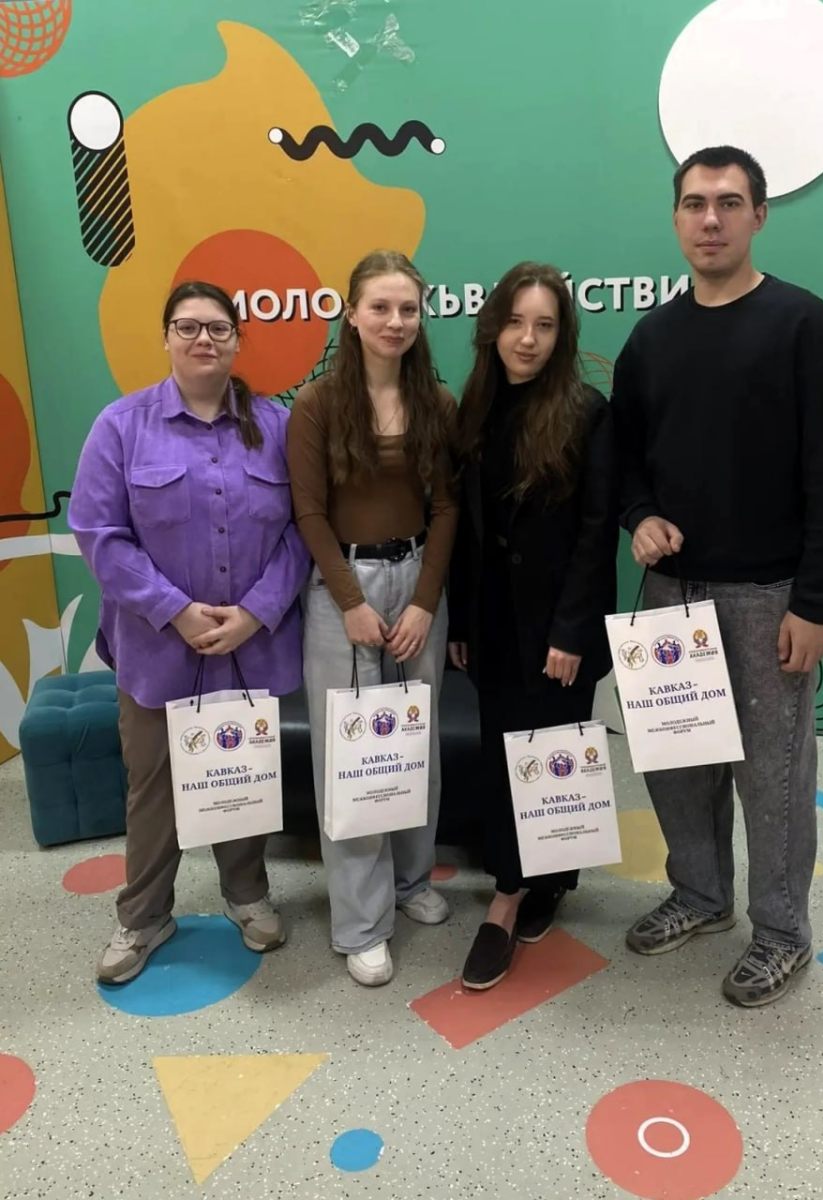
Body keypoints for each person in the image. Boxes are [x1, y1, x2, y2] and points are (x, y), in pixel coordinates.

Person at [611, 146, 823, 1007]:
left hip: (769, 599)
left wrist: (814, 602)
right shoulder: (651, 338)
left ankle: (782, 931)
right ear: (675, 217)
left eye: (727, 202)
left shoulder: (803, 326)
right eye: (693, 203)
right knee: (677, 766)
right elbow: (625, 457)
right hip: (670, 597)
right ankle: (699, 894)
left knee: (772, 777)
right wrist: (639, 514)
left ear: (758, 214)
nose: (709, 219)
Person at [69, 280, 309, 983]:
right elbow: (98, 533)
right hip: (156, 649)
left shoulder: (278, 426)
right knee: (154, 788)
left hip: (250, 646)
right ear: (166, 336)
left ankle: (247, 895)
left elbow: (304, 529)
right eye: (187, 326)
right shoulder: (121, 426)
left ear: (237, 339)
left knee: (243, 773)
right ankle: (144, 916)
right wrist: (173, 608)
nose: (203, 338)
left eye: (217, 327)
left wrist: (256, 611)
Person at [287, 250, 458, 987]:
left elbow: (447, 508)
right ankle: (361, 924)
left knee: (416, 743)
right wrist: (351, 603)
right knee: (350, 755)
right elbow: (308, 512)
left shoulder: (436, 403)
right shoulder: (317, 404)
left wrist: (424, 601)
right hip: (342, 589)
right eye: (380, 307)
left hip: (418, 582)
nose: (395, 321)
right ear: (351, 314)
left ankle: (411, 881)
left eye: (407, 309)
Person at [448, 262, 619, 990]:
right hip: (491, 621)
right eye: (516, 322)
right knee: (504, 755)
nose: (527, 338)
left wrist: (572, 631)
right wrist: (459, 619)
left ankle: (513, 897)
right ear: (493, 328)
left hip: (556, 625)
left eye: (544, 325)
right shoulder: (475, 407)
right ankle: (527, 880)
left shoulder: (585, 411)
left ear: (561, 335)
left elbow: (596, 530)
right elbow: (464, 527)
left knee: (555, 754)